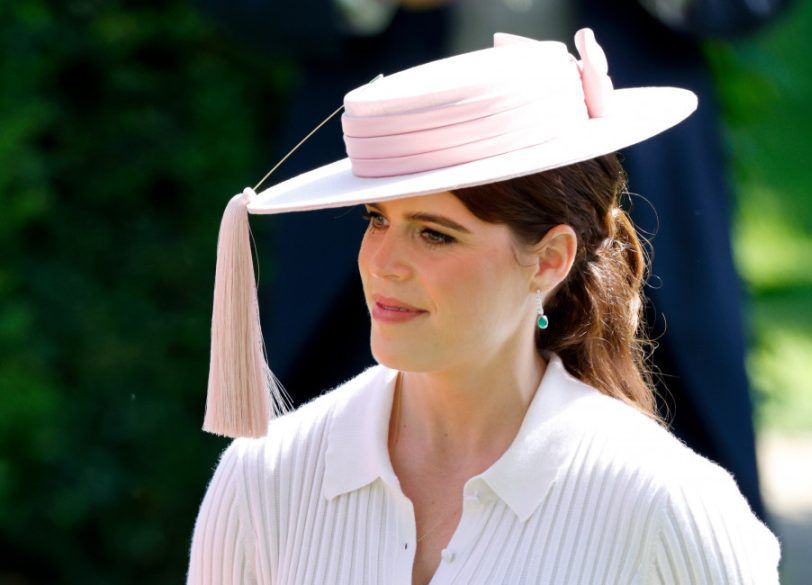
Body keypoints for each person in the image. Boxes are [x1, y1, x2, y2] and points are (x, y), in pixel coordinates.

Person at [188, 29, 781, 584]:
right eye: (377, 220)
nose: (382, 264)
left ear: (549, 260)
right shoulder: (263, 481)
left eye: (435, 233)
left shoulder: (667, 504)